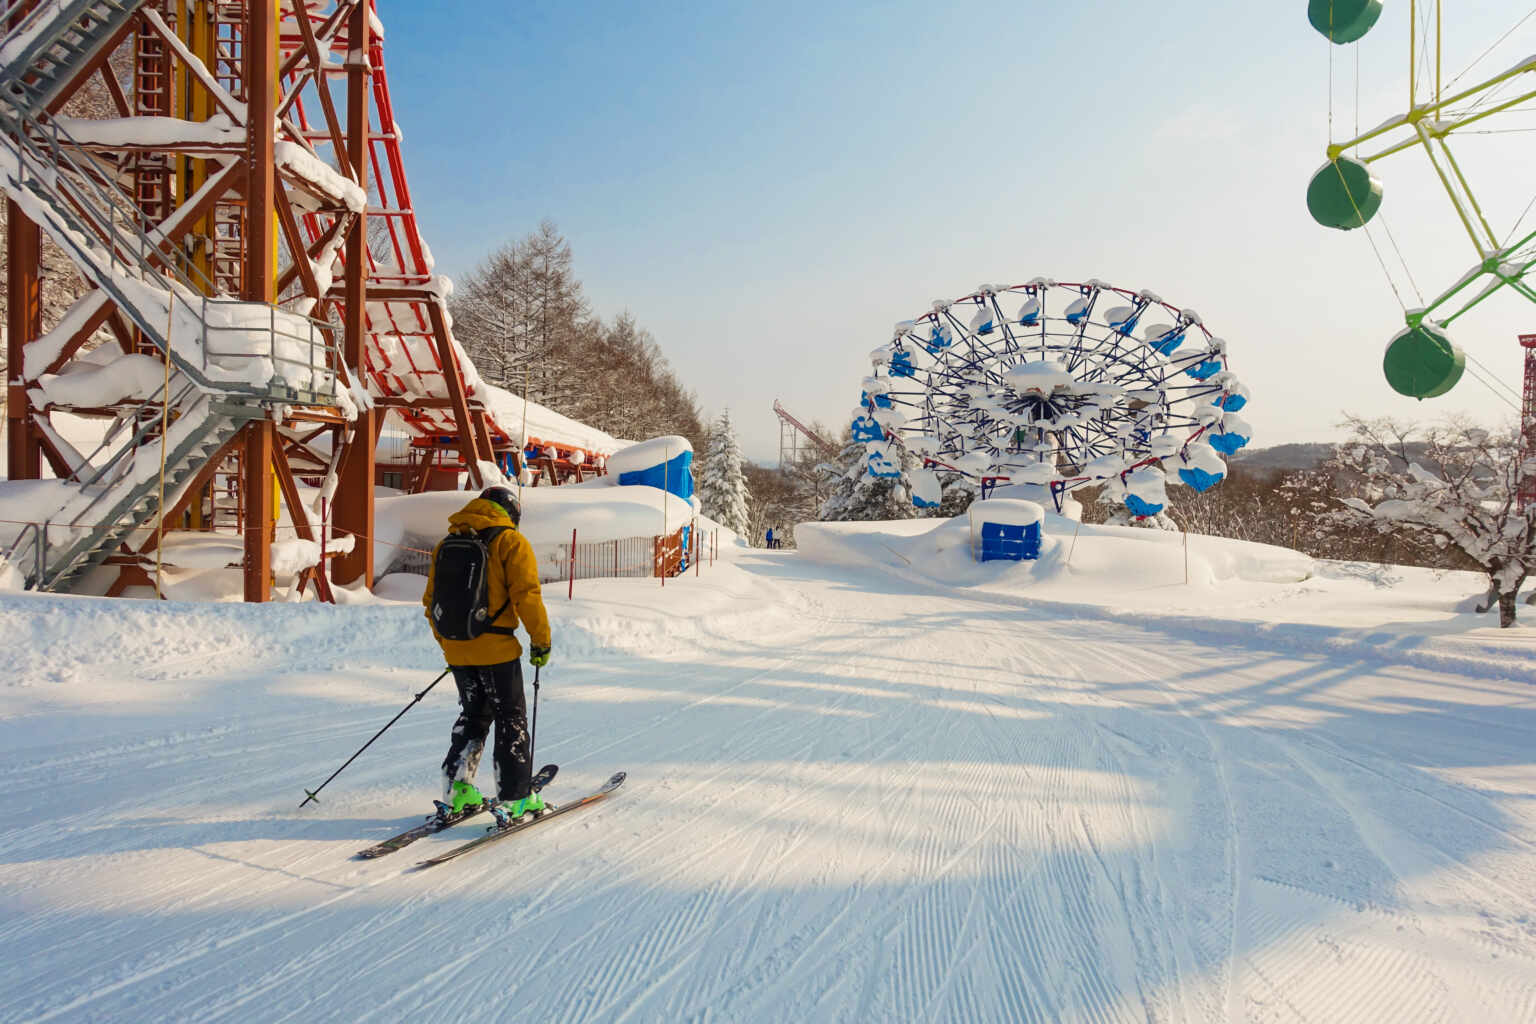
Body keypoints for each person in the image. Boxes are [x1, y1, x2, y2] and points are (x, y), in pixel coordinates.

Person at [422, 485, 552, 827]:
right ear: (511, 513)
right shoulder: (510, 542)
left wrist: (451, 643)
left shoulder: (446, 544)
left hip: (457, 648)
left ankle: (457, 790)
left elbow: (429, 601)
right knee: (511, 718)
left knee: (474, 715)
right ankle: (516, 796)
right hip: (496, 649)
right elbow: (527, 595)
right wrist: (541, 640)